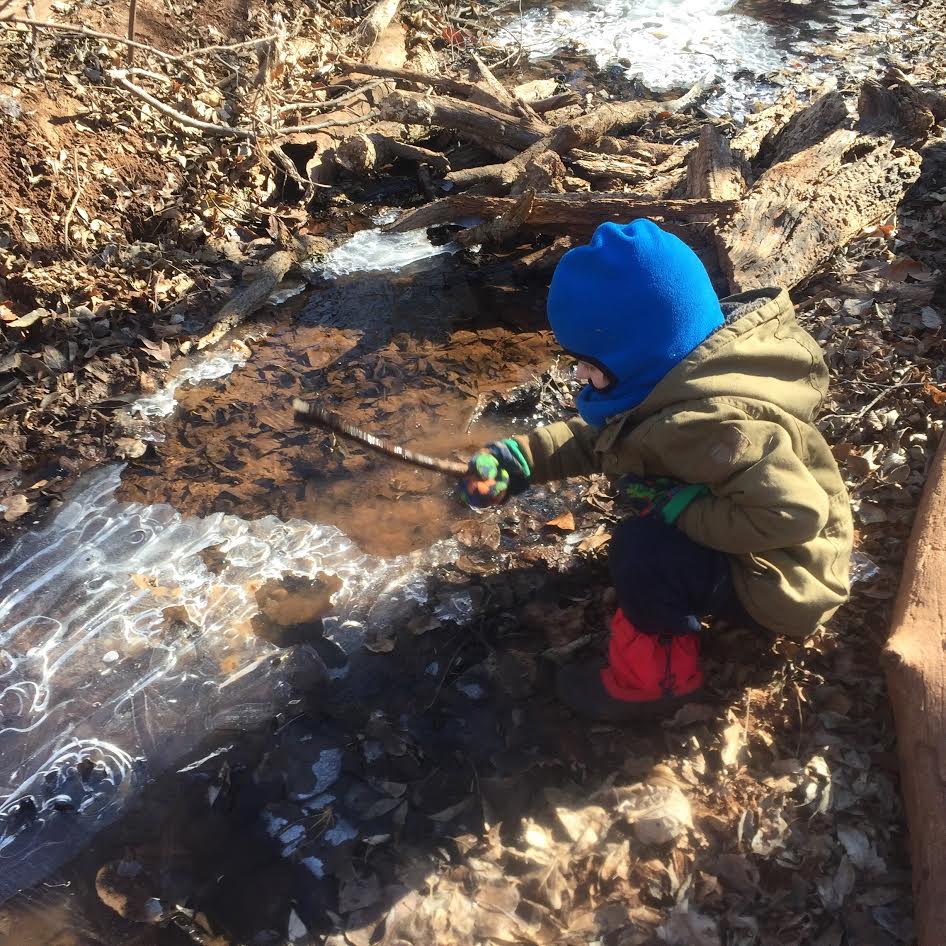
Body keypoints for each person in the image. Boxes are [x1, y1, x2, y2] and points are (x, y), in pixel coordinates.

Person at [460, 219, 852, 721]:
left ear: (636, 351)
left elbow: (795, 515)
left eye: (587, 360)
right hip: (777, 548)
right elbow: (603, 440)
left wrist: (680, 507)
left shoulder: (706, 424)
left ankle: (654, 682)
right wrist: (520, 460)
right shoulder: (682, 373)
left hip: (789, 581)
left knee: (643, 549)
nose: (579, 373)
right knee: (651, 541)